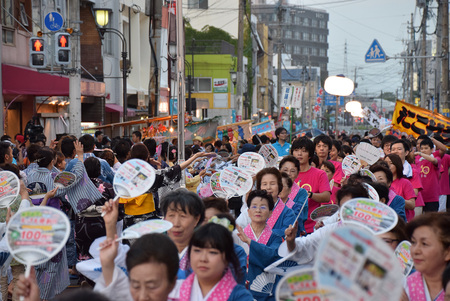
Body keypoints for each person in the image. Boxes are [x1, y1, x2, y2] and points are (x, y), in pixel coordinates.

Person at [280, 183, 369, 266]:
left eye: (352, 207)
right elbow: (306, 244)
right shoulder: (331, 230)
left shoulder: (375, 232)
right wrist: (291, 241)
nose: (348, 212)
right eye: (343, 207)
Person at [181, 223, 253, 301]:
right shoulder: (175, 287)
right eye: (197, 251)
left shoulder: (240, 296)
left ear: (227, 258)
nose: (203, 259)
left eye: (212, 252)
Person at [236, 190, 284, 300]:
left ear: (270, 212)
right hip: (242, 292)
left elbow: (271, 257)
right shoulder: (238, 236)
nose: (258, 210)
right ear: (248, 212)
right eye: (254, 206)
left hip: (268, 293)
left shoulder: (275, 237)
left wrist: (249, 242)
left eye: (263, 207)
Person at [403, 213, 450, 301]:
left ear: (448, 252)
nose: (415, 250)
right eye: (413, 242)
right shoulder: (405, 286)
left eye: (424, 244)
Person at [161, 189, 205, 280]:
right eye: (171, 215)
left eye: (183, 216)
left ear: (197, 219)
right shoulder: (154, 251)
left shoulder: (207, 253)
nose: (176, 223)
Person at [290, 137, 330, 233]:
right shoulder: (286, 173)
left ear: (310, 155)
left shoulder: (320, 174)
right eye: (296, 150)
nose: (299, 154)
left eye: (304, 151)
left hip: (311, 227)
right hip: (288, 226)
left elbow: (326, 197)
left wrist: (309, 194)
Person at [391, 139, 424, 219]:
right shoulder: (387, 170)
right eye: (393, 149)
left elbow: (413, 195)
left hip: (408, 211)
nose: (395, 151)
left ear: (406, 153)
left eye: (399, 149)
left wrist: (393, 198)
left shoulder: (412, 171)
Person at [416, 137, 441, 212]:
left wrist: (420, 154)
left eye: (426, 148)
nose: (423, 150)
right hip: (419, 198)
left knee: (431, 222)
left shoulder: (436, 159)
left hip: (431, 198)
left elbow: (433, 160)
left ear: (432, 149)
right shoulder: (417, 160)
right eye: (422, 148)